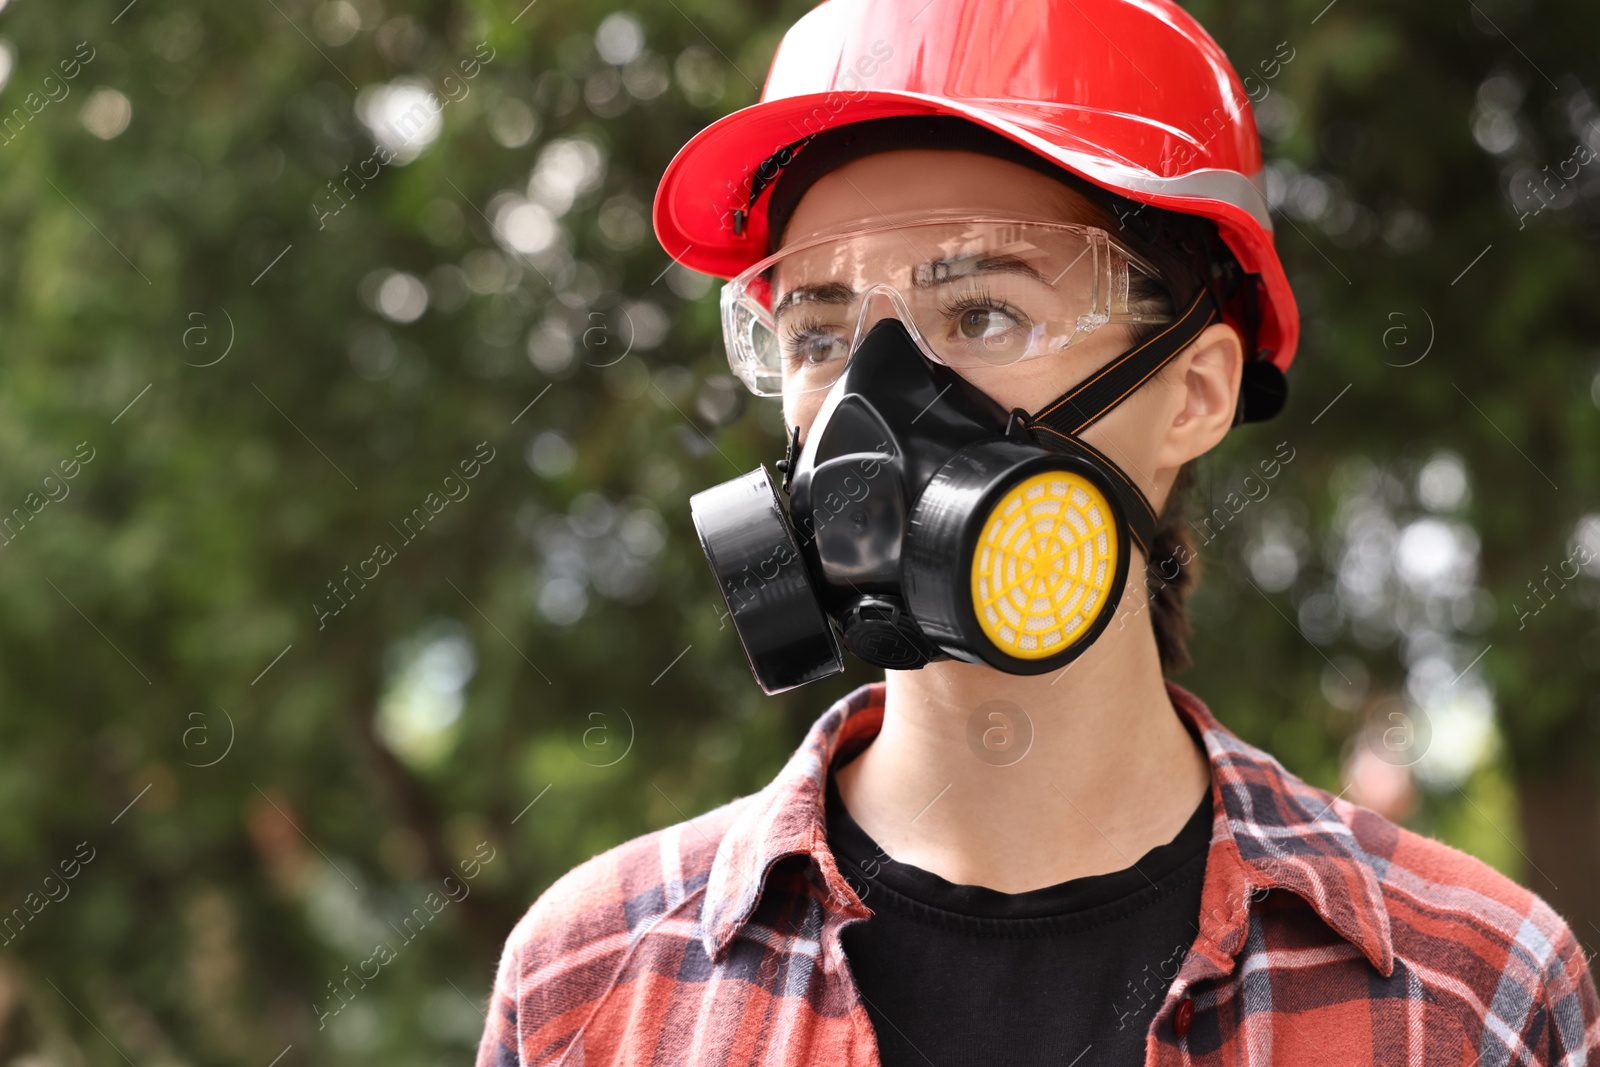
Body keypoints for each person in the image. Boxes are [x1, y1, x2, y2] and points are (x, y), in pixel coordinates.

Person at [476, 0, 1600, 1064]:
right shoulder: (594, 982)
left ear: (1196, 391)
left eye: (983, 313)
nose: (872, 401)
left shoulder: (1471, 993)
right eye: (819, 332)